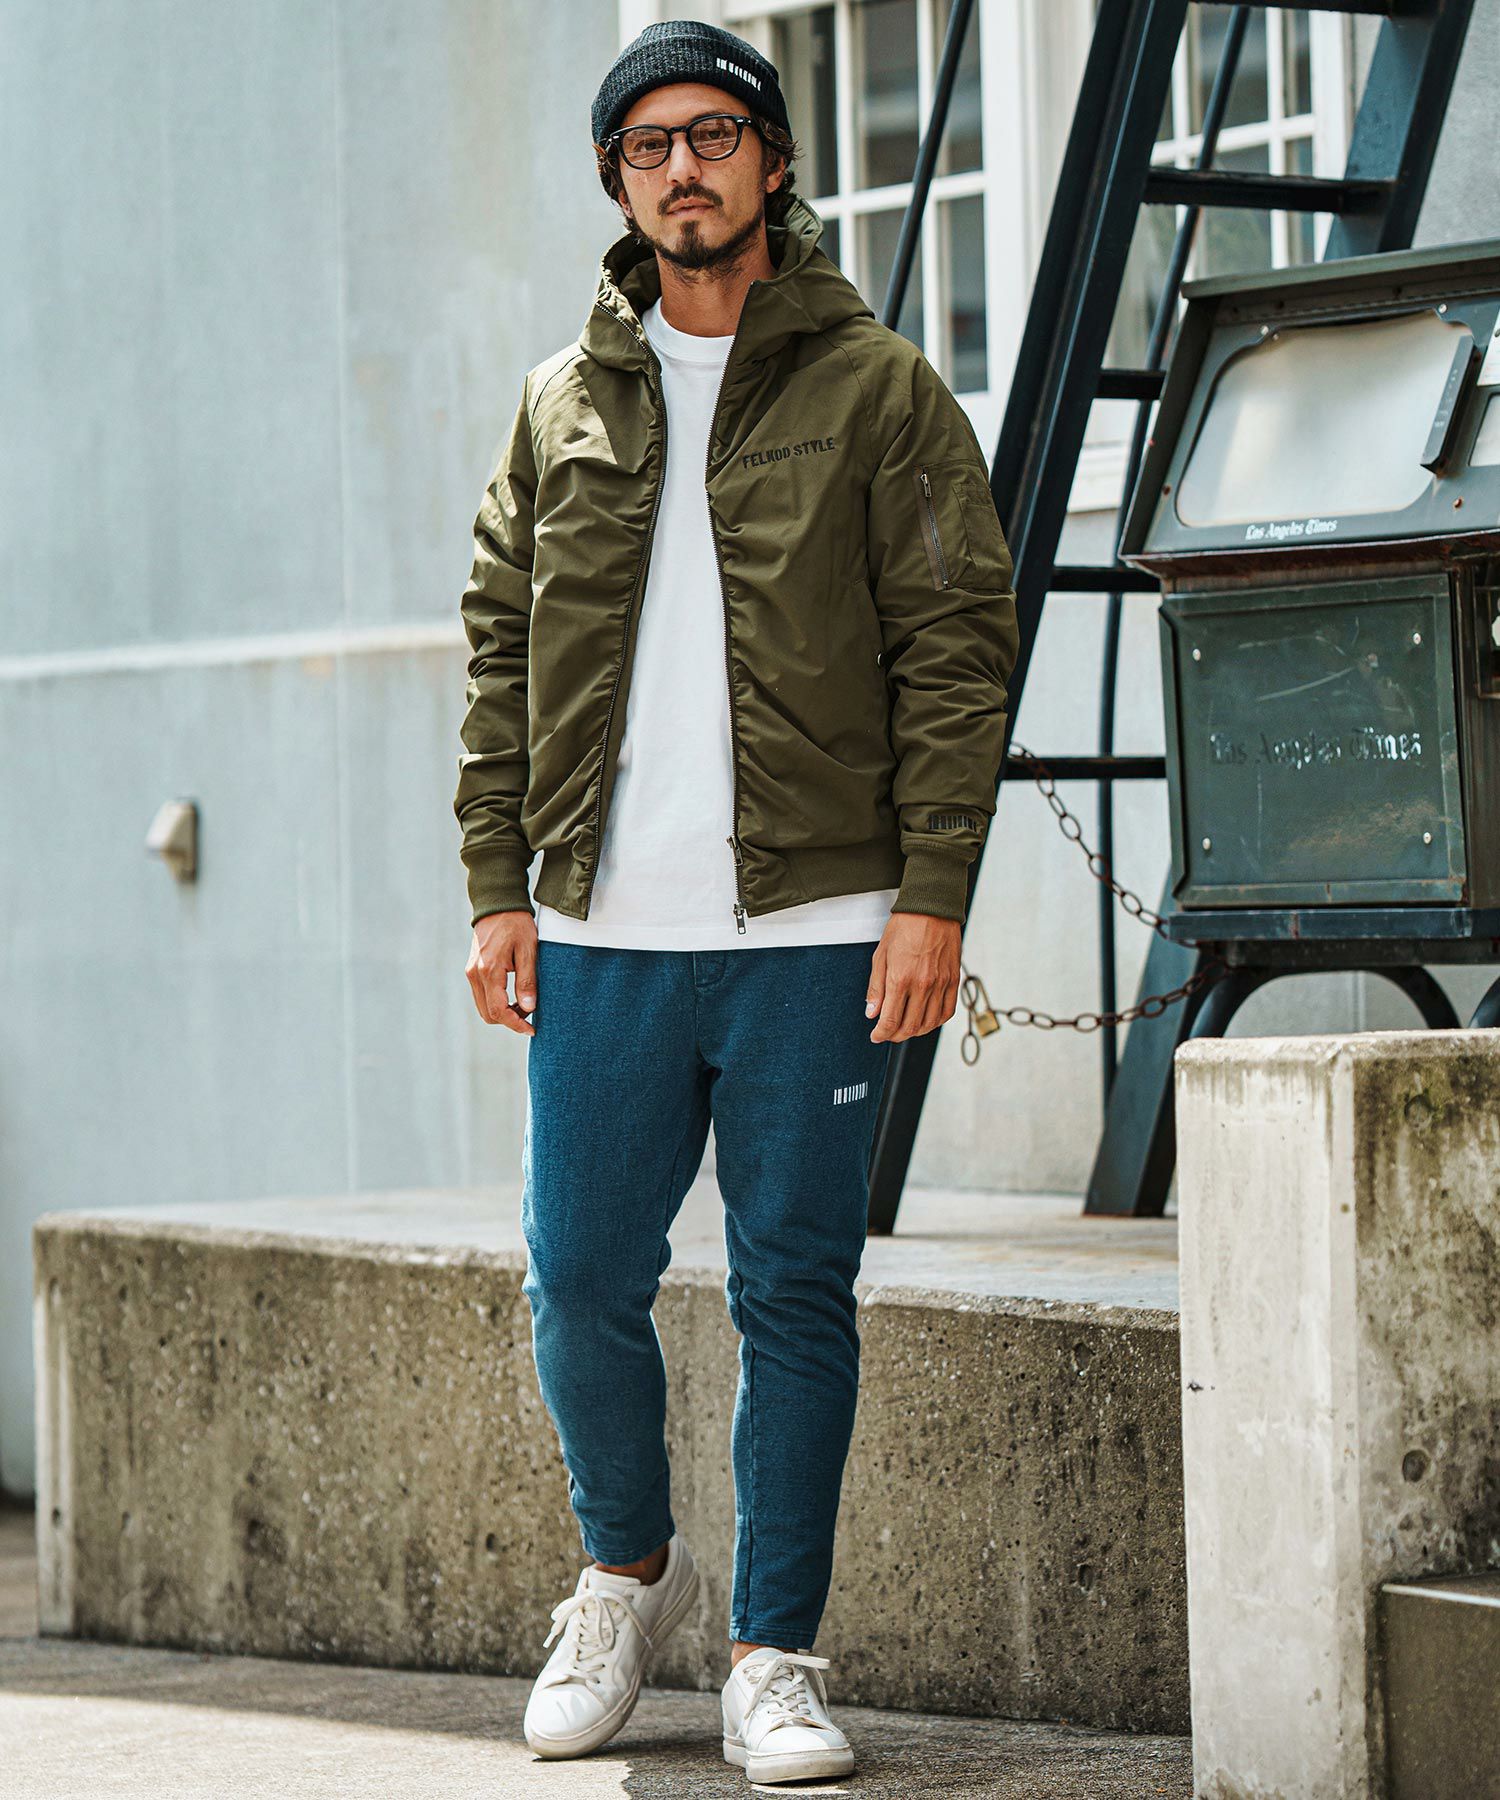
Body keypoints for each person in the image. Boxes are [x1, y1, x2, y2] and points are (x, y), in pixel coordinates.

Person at [454, 17, 1018, 1785]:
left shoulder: (882, 390)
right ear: (617, 181)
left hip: (821, 931)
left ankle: (775, 1653)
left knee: (796, 1290)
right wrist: (495, 886)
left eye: (714, 136)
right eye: (650, 145)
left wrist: (934, 895)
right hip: (602, 930)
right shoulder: (560, 402)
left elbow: (956, 649)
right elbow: (498, 656)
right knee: (578, 1278)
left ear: (774, 162)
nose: (683, 169)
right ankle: (626, 1574)